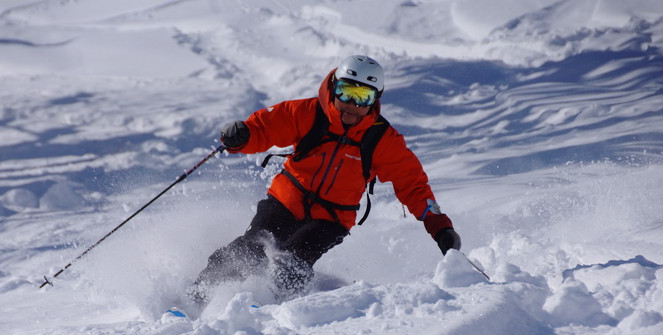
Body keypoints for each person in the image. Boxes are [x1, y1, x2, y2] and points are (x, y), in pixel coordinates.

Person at [188, 55, 461, 307]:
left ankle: (273, 311)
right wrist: (242, 135)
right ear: (333, 87)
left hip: (331, 218)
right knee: (253, 247)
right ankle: (198, 295)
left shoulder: (382, 140)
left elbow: (412, 184)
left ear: (376, 99)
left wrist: (439, 226)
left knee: (295, 260)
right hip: (286, 200)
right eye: (346, 92)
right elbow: (265, 128)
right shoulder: (309, 113)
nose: (352, 105)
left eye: (363, 97)